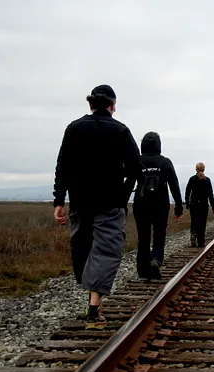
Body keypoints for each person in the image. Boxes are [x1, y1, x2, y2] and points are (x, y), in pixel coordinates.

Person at [53, 84, 143, 329]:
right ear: (113, 105)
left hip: (80, 203)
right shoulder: (121, 131)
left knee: (81, 247)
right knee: (106, 251)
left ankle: (92, 304)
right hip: (110, 204)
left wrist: (59, 200)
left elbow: (63, 167)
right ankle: (94, 307)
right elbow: (136, 169)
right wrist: (123, 196)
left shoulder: (74, 128)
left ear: (90, 104)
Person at [132, 132, 184, 280]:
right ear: (158, 145)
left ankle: (143, 271)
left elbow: (128, 182)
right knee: (159, 235)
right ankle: (156, 259)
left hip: (140, 204)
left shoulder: (137, 161)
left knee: (143, 237)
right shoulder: (165, 162)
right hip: (160, 204)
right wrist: (179, 208)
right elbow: (174, 185)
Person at [185, 162, 214, 247]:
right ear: (204, 169)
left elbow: (187, 192)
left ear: (196, 169)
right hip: (204, 205)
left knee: (194, 221)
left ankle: (193, 234)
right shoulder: (207, 180)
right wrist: (213, 206)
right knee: (202, 223)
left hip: (194, 204)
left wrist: (187, 203)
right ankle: (201, 242)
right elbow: (210, 194)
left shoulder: (192, 179)